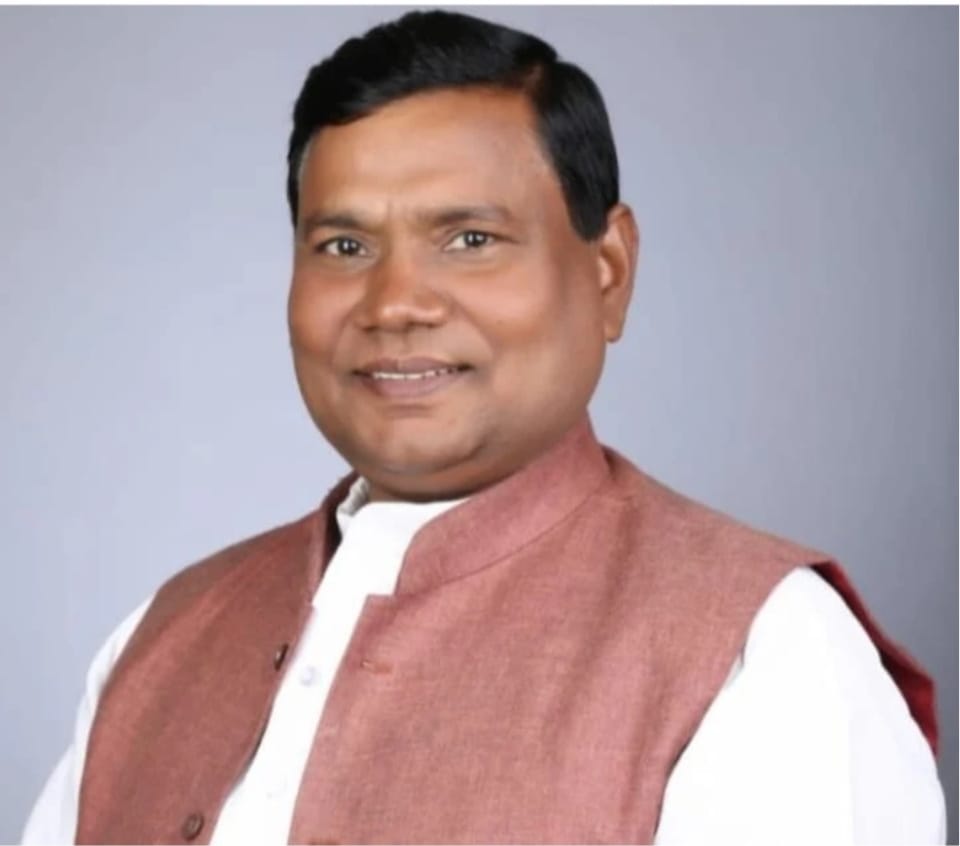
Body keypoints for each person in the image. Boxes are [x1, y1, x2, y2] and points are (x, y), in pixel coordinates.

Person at [22, 10, 945, 845]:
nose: (395, 304)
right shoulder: (162, 638)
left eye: (469, 240)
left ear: (609, 270)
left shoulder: (768, 651)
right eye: (344, 246)